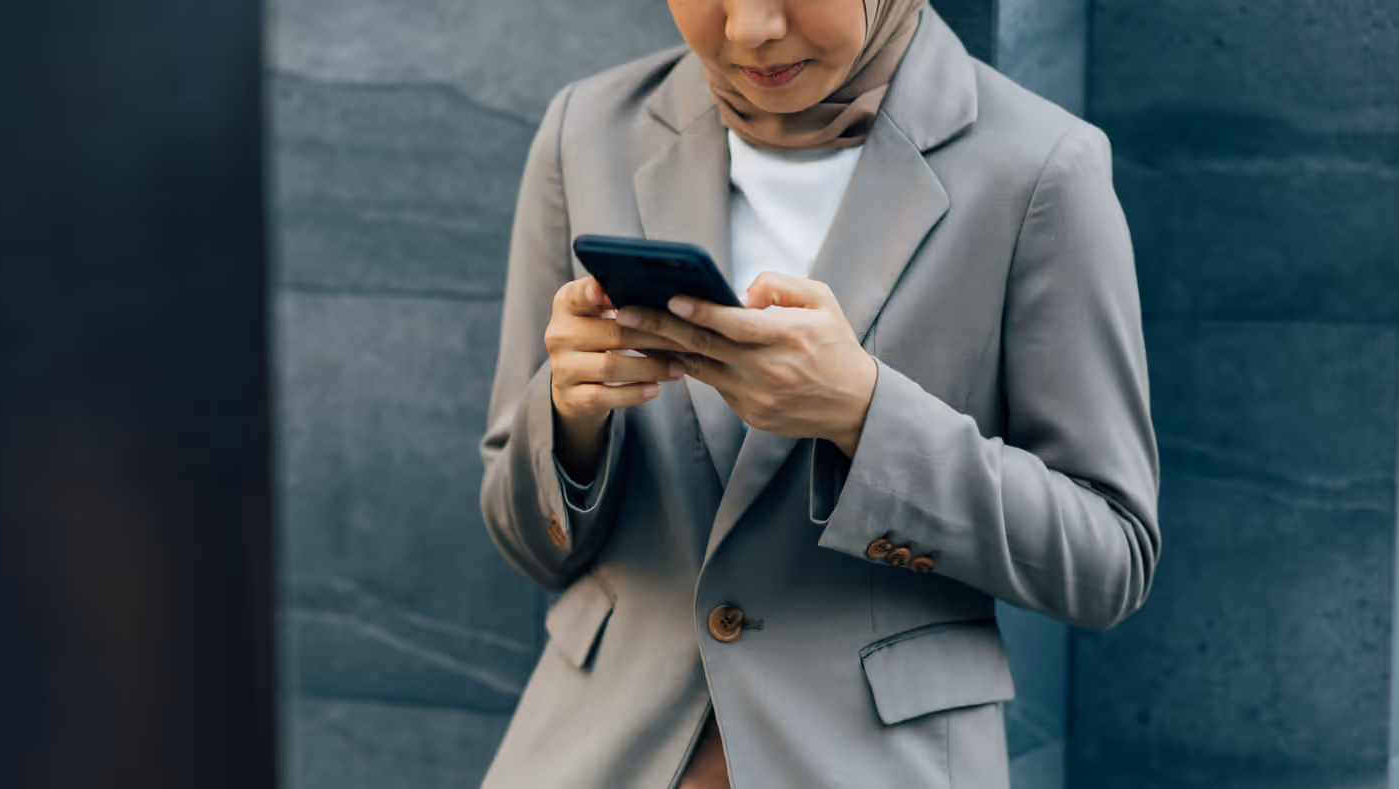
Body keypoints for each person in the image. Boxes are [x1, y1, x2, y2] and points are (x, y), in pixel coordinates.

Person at [479, 0, 1161, 786]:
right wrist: (569, 418)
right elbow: (521, 537)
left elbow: (1109, 558)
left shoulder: (1041, 167)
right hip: (589, 756)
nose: (749, 29)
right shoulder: (586, 129)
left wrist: (865, 417)